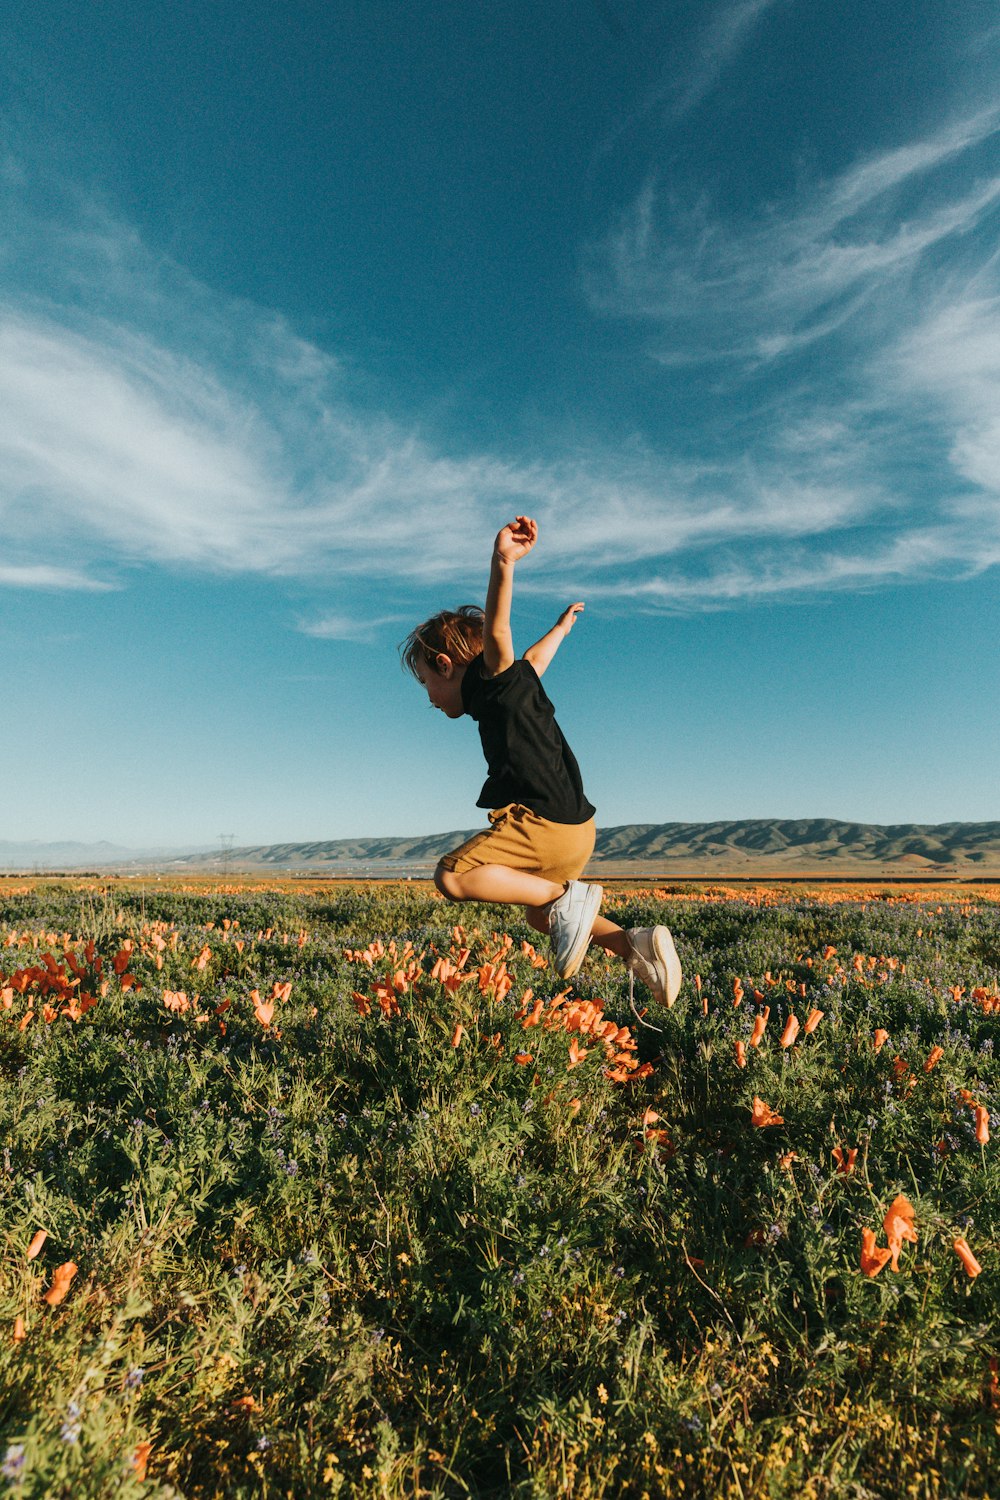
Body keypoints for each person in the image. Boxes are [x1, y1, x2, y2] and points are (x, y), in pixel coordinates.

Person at [399, 515, 681, 1008]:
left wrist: (503, 562)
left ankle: (567, 901)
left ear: (446, 665)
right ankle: (636, 945)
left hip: (544, 820)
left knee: (451, 876)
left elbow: (500, 630)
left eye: (427, 682)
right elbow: (537, 658)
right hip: (578, 829)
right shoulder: (515, 683)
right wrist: (561, 629)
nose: (430, 697)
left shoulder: (493, 677)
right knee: (539, 914)